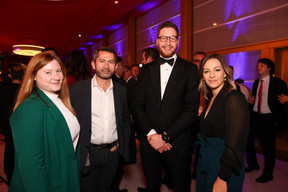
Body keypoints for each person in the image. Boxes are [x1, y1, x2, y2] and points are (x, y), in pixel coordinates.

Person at [131, 21, 199, 192]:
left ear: (178, 41)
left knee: (181, 187)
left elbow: (191, 110)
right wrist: (154, 135)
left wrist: (166, 137)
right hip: (150, 143)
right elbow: (137, 106)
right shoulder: (146, 70)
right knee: (152, 187)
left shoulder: (190, 69)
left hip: (178, 144)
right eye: (164, 38)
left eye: (172, 38)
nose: (168, 42)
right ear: (157, 41)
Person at [8, 51, 80, 192]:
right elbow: (31, 166)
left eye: (58, 70)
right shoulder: (30, 108)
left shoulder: (59, 100)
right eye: (48, 72)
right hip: (48, 184)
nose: (56, 77)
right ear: (34, 76)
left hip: (64, 176)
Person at [69, 47, 131, 192]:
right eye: (102, 61)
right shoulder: (77, 90)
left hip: (112, 153)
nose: (106, 66)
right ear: (93, 64)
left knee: (104, 188)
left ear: (116, 66)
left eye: (110, 62)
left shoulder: (121, 91)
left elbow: (126, 120)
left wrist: (121, 145)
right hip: (88, 152)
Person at [197, 54, 250, 192]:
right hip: (207, 161)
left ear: (225, 73)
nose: (212, 75)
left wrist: (223, 178)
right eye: (206, 71)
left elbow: (236, 144)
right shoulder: (211, 98)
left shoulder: (234, 97)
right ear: (202, 76)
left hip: (224, 166)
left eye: (217, 70)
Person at [245, 58, 288, 183]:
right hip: (256, 116)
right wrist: (251, 103)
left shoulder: (277, 82)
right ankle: (253, 164)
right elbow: (255, 98)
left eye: (262, 65)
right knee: (248, 139)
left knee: (268, 147)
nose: (259, 67)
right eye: (258, 65)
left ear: (269, 68)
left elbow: (283, 102)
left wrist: (277, 119)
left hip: (269, 118)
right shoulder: (256, 81)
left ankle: (268, 174)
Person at [0, 64, 25, 185]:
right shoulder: (25, 92)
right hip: (21, 126)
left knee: (9, 149)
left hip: (6, 125)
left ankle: (9, 173)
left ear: (10, 75)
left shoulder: (3, 89)